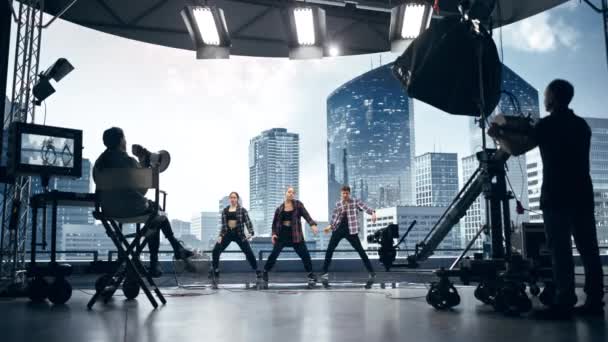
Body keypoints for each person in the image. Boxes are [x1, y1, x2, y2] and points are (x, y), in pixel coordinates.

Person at [93, 127, 194, 278]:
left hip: (108, 210)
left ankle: (172, 250)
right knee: (157, 214)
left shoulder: (99, 163)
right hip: (132, 209)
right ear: (121, 140)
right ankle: (159, 260)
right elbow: (143, 190)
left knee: (154, 216)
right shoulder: (127, 161)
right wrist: (145, 164)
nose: (126, 141)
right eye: (124, 138)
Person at [262, 187, 319, 288]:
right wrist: (273, 234)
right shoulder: (279, 208)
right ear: (285, 193)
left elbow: (306, 215)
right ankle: (265, 272)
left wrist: (312, 224)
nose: (291, 194)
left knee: (305, 254)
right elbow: (274, 223)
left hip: (295, 234)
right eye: (289, 192)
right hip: (282, 234)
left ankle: (311, 274)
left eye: (293, 192)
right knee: (273, 255)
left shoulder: (298, 205)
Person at [322, 185, 377, 289]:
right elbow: (335, 217)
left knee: (360, 250)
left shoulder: (355, 201)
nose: (345, 195)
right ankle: (324, 271)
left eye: (347, 193)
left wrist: (373, 213)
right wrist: (329, 227)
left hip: (351, 230)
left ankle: (371, 272)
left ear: (349, 193)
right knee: (330, 249)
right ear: (341, 193)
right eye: (343, 193)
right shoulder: (338, 204)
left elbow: (366, 208)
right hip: (338, 229)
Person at [210, 192, 261, 289]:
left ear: (237, 199)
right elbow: (223, 225)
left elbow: (248, 222)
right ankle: (216, 270)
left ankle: (257, 270)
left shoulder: (242, 210)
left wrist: (251, 232)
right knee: (216, 250)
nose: (233, 199)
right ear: (229, 199)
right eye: (231, 198)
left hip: (239, 234)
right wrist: (221, 236)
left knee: (248, 252)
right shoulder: (225, 210)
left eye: (234, 197)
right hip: (228, 233)